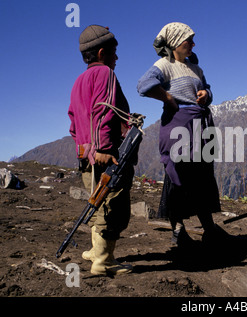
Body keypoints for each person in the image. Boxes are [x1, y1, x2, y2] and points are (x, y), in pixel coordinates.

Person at [137, 22, 229, 247]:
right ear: (176, 42)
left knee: (202, 175)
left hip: (200, 123)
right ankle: (178, 229)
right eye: (189, 40)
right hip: (179, 125)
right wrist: (167, 98)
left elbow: (207, 88)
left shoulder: (195, 68)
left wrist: (206, 93)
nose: (193, 44)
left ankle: (208, 227)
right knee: (178, 174)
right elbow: (143, 85)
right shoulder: (164, 65)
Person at [68, 25, 134, 275]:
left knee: (96, 203)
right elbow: (103, 110)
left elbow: (73, 122)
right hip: (103, 154)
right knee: (112, 204)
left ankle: (97, 251)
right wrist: (104, 147)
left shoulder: (78, 81)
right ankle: (104, 261)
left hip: (85, 155)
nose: (116, 58)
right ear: (102, 52)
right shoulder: (105, 73)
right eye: (114, 52)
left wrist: (85, 149)